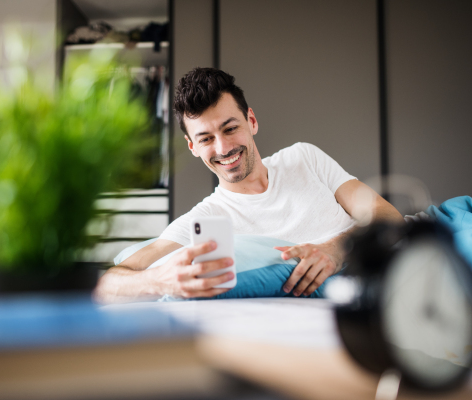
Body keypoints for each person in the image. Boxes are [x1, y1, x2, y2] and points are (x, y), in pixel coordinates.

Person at [94, 68, 403, 303]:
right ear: (192, 146)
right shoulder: (205, 220)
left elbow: (388, 216)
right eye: (205, 139)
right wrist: (162, 281)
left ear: (251, 121)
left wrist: (335, 249)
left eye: (231, 128)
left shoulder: (304, 157)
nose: (223, 147)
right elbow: (107, 282)